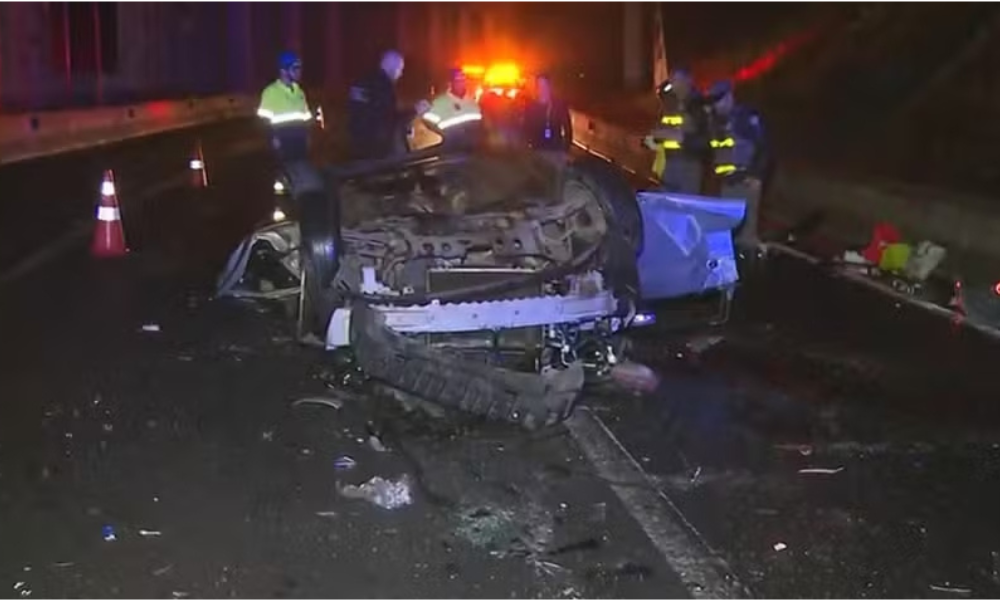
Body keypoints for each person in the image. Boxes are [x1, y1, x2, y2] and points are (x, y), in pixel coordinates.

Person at [706, 79, 772, 250]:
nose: (715, 106)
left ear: (729, 97)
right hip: (729, 182)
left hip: (746, 180)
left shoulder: (744, 118)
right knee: (728, 228)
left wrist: (756, 175)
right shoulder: (717, 122)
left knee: (746, 234)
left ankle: (750, 266)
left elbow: (763, 147)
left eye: (718, 101)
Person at [347, 50, 431, 160]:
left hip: (359, 147)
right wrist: (415, 110)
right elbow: (389, 119)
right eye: (400, 69)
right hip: (379, 150)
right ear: (391, 66)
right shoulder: (383, 86)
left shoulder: (362, 82)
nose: (400, 74)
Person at [643, 67, 709, 194]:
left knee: (685, 204)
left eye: (677, 81)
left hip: (689, 167)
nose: (674, 85)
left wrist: (682, 138)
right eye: (672, 81)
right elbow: (659, 129)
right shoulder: (669, 104)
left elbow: (705, 142)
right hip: (668, 165)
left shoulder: (697, 106)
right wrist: (653, 140)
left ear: (687, 82)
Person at [257, 51, 313, 166]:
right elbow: (263, 122)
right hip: (282, 146)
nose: (299, 72)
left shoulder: (300, 92)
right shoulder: (270, 92)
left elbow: (306, 119)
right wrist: (273, 140)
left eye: (300, 68)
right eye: (295, 68)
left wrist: (307, 137)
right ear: (283, 71)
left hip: (300, 145)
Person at [421, 68, 484, 151]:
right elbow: (427, 121)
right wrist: (443, 135)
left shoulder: (472, 103)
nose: (461, 83)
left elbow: (479, 125)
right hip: (450, 150)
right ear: (451, 83)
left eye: (463, 80)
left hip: (472, 150)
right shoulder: (440, 102)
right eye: (457, 80)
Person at [522, 73, 572, 154]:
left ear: (549, 87)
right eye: (540, 86)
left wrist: (566, 148)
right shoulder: (531, 106)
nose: (542, 89)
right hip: (537, 150)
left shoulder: (559, 105)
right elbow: (525, 128)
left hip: (555, 149)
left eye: (544, 85)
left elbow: (567, 128)